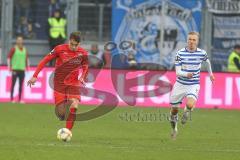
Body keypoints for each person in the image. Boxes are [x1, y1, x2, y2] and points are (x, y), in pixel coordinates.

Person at [27, 31, 88, 132]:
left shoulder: (83, 53)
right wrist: (35, 75)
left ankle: (67, 132)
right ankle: (63, 114)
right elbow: (45, 60)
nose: (73, 47)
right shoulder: (59, 49)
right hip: (59, 84)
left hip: (73, 83)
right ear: (69, 41)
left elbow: (85, 67)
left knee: (74, 105)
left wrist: (82, 77)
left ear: (79, 44)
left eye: (75, 45)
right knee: (61, 114)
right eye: (71, 44)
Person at [169, 31, 215, 139]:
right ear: (187, 40)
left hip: (193, 84)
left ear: (197, 41)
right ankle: (174, 128)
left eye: (194, 40)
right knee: (174, 111)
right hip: (180, 84)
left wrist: (211, 75)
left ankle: (186, 112)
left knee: (190, 104)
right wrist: (186, 74)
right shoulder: (180, 54)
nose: (191, 42)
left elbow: (207, 63)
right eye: (190, 39)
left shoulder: (202, 53)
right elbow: (178, 72)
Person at [7, 35, 30, 103]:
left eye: (21, 40)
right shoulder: (14, 49)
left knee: (21, 85)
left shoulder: (25, 49)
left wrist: (27, 67)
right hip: (15, 69)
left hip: (22, 69)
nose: (20, 41)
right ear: (16, 41)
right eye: (18, 40)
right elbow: (9, 58)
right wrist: (9, 67)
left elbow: (27, 59)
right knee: (13, 84)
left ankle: (20, 99)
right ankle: (12, 99)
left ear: (22, 41)